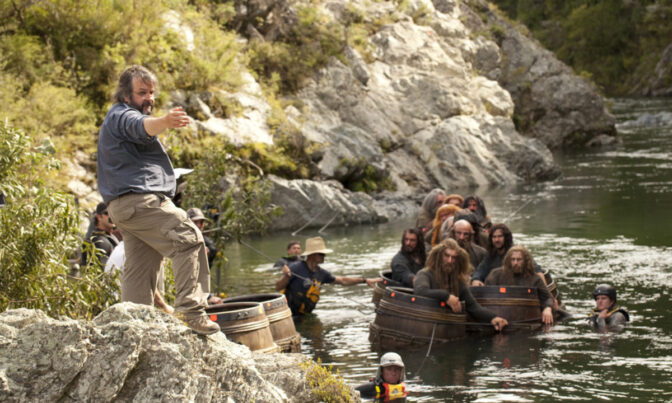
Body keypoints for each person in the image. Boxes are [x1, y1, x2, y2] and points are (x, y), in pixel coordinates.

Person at [97, 65, 218, 335]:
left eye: (151, 93)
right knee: (189, 238)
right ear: (125, 95)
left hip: (125, 208)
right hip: (140, 202)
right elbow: (140, 126)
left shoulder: (118, 117)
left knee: (141, 268)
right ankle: (190, 311)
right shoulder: (121, 115)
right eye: (142, 93)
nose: (149, 98)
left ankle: (133, 327)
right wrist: (164, 121)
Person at [414, 239, 508, 331]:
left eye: (453, 258)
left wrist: (493, 318)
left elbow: (473, 306)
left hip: (448, 328)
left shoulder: (457, 281)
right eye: (446, 256)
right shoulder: (425, 274)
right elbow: (420, 291)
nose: (450, 261)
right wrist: (446, 296)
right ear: (439, 255)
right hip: (426, 326)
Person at [275, 236, 381, 315]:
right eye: (321, 254)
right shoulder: (295, 267)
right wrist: (287, 276)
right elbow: (278, 287)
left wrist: (364, 280)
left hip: (305, 315)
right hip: (289, 315)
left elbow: (343, 280)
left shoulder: (321, 273)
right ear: (312, 255)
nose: (324, 256)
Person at [485, 246, 554, 325]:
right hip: (499, 316)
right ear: (508, 260)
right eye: (513, 259)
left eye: (519, 260)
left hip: (526, 318)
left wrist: (547, 308)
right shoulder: (496, 275)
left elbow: (547, 298)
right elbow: (485, 295)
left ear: (525, 261)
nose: (515, 263)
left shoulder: (534, 278)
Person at [81, 202, 120, 266]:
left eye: (114, 212)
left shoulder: (110, 236)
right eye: (107, 213)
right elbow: (103, 269)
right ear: (99, 217)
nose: (111, 216)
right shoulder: (98, 241)